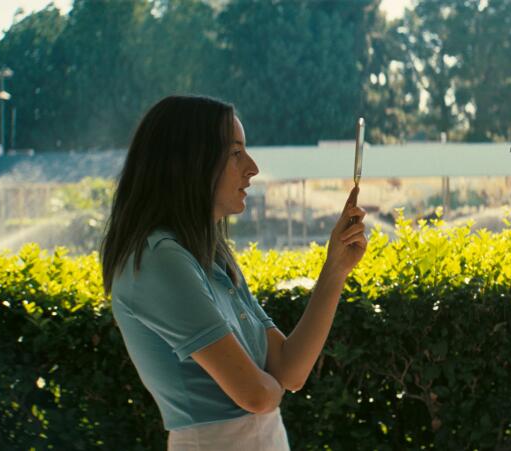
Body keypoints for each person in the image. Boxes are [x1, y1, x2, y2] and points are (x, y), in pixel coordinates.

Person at [100, 95, 367, 450]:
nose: (252, 167)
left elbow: (290, 370)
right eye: (236, 153)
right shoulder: (159, 259)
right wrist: (271, 391)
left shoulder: (209, 256)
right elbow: (257, 396)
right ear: (190, 162)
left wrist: (336, 268)